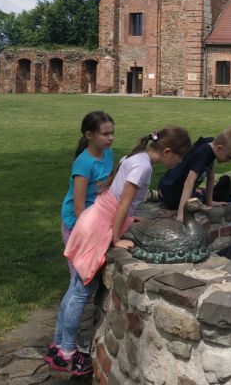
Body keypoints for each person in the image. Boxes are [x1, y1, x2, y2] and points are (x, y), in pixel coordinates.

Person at [45, 127, 191, 376]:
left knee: (75, 288)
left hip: (96, 220)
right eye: (179, 157)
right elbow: (122, 202)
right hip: (98, 228)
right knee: (82, 291)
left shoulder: (136, 157)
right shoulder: (143, 167)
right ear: (167, 151)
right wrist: (116, 238)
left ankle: (59, 346)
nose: (178, 163)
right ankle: (67, 353)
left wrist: (128, 222)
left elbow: (113, 194)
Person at [60, 111, 115, 275]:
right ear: (89, 135)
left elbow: (107, 187)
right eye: (105, 134)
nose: (111, 138)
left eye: (112, 133)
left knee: (93, 273)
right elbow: (78, 207)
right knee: (80, 277)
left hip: (96, 217)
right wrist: (91, 233)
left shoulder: (108, 154)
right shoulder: (84, 164)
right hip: (77, 223)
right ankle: (72, 302)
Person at [157, 127, 231, 221]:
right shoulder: (204, 153)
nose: (229, 161)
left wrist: (210, 201)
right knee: (199, 199)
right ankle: (156, 195)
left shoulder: (211, 144)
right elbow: (189, 182)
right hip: (171, 191)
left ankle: (158, 194)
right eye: (229, 156)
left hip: (169, 184)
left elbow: (211, 176)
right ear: (219, 148)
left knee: (202, 196)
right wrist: (181, 215)